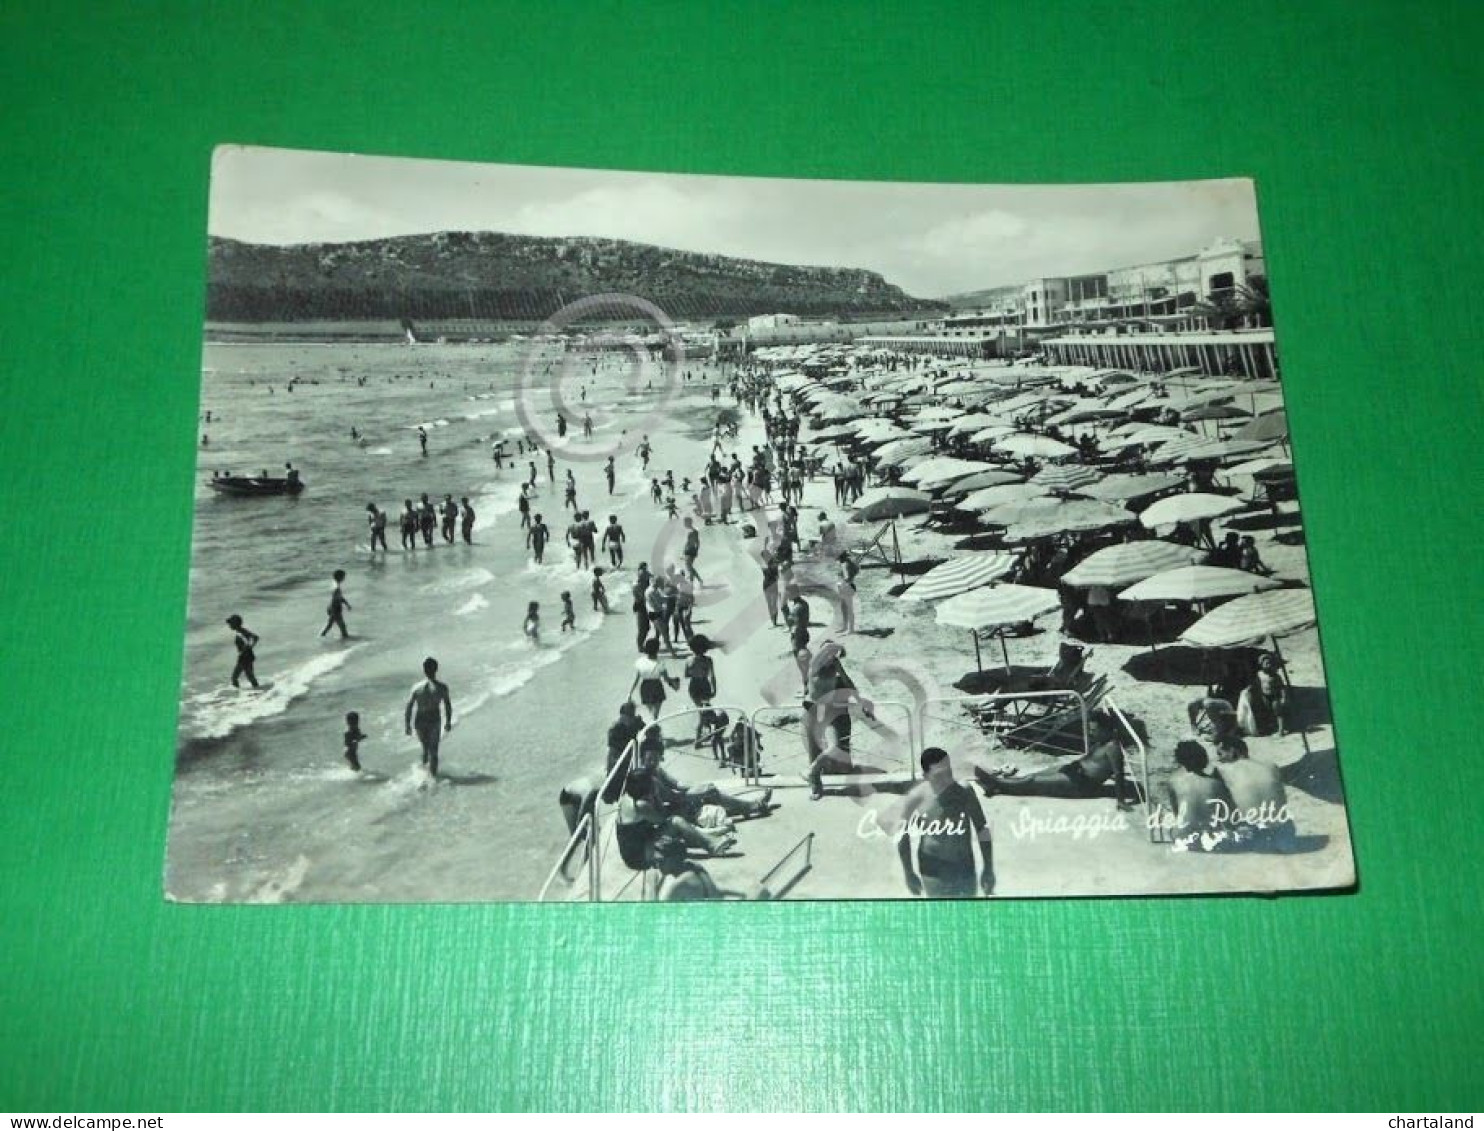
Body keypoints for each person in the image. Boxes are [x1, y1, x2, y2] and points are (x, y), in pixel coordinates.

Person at [896, 747, 995, 898]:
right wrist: (908, 872)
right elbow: (902, 835)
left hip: (964, 866)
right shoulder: (916, 797)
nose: (947, 779)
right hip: (933, 868)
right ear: (926, 776)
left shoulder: (964, 792)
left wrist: (988, 867)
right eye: (939, 775)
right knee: (940, 914)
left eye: (949, 772)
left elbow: (982, 828)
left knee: (966, 913)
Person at [974, 712, 1131, 804]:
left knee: (1032, 781)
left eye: (1094, 730)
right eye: (1090, 729)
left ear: (1105, 729)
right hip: (1075, 770)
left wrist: (1121, 801)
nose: (1090, 733)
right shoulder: (1102, 741)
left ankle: (996, 784)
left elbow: (1119, 775)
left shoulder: (1113, 748)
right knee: (1034, 776)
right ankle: (996, 786)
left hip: (1081, 784)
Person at [1213, 736, 1295, 850]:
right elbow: (1282, 799)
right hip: (1286, 831)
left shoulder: (1223, 771)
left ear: (1232, 751)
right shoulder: (1271, 765)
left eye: (1220, 754)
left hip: (1253, 836)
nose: (1219, 759)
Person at [1160, 740, 1234, 852]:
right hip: (1211, 840)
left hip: (1184, 839)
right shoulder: (1215, 783)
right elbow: (1229, 814)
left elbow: (1177, 813)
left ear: (1180, 760)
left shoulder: (1173, 781)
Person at [404, 657, 453, 778]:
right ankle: (433, 778)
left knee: (425, 748)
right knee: (434, 751)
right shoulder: (442, 687)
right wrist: (448, 721)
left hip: (419, 720)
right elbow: (447, 705)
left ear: (424, 670)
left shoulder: (416, 687)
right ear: (436, 669)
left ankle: (422, 775)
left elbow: (409, 707)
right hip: (434, 720)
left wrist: (407, 725)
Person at [628, 639, 679, 720]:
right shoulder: (660, 662)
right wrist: (674, 683)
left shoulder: (640, 662)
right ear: (657, 649)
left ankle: (652, 726)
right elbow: (666, 679)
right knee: (655, 714)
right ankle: (653, 726)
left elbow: (636, 680)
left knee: (651, 712)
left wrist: (630, 693)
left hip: (645, 687)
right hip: (657, 686)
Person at [684, 638, 717, 747]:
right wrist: (714, 689)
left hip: (694, 686)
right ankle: (699, 738)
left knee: (701, 711)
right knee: (704, 711)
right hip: (704, 685)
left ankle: (701, 735)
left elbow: (686, 675)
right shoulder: (708, 660)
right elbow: (712, 676)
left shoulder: (689, 660)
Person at [225, 614, 260, 689]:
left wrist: (247, 648)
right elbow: (255, 638)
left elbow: (255, 638)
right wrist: (249, 647)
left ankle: (239, 695)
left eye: (231, 623)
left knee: (235, 678)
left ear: (235, 623)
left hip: (245, 658)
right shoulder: (241, 631)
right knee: (250, 677)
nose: (229, 625)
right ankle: (258, 691)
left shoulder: (241, 632)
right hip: (246, 657)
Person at [320, 569, 352, 639]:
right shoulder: (336, 588)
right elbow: (337, 599)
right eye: (343, 577)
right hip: (335, 608)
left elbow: (338, 597)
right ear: (340, 577)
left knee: (330, 625)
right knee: (342, 628)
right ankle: (345, 643)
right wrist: (346, 604)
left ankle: (321, 636)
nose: (344, 578)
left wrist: (346, 604)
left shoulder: (334, 584)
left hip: (332, 607)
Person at [836, 552, 859, 634]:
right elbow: (857, 570)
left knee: (848, 609)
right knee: (844, 608)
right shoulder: (848, 563)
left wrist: (842, 583)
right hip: (846, 587)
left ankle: (850, 629)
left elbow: (848, 578)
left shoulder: (846, 564)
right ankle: (846, 627)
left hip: (846, 587)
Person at [681, 517, 703, 584]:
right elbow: (697, 542)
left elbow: (690, 543)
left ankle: (697, 581)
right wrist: (696, 551)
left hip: (689, 551)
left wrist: (685, 552)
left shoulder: (691, 532)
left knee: (689, 567)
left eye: (684, 522)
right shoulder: (694, 531)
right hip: (692, 551)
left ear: (688, 523)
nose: (684, 524)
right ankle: (694, 581)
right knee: (690, 567)